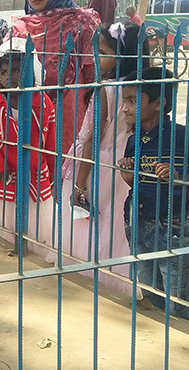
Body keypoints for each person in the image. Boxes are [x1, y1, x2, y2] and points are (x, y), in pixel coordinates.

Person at [118, 67, 189, 323]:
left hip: (172, 226)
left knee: (177, 301)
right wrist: (127, 173)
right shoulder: (135, 139)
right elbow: (137, 182)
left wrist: (180, 178)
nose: (125, 108)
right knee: (151, 291)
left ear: (159, 103)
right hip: (137, 221)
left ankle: (186, 339)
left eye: (133, 101)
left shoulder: (181, 137)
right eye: (125, 100)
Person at [58, 23, 150, 296]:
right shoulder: (143, 89)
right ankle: (121, 275)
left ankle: (92, 273)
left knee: (93, 220)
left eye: (103, 52)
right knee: (119, 224)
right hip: (129, 162)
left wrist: (80, 182)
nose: (96, 58)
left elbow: (91, 139)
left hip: (100, 164)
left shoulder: (106, 90)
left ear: (124, 55)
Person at [9, 0, 102, 158]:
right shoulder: (20, 27)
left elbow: (93, 72)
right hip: (31, 105)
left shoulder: (82, 20)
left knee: (68, 163)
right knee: (32, 163)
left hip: (69, 103)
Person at [0, 51, 57, 254]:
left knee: (38, 233)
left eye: (16, 70)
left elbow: (50, 142)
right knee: (4, 234)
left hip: (35, 176)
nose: (10, 77)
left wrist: (52, 171)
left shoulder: (43, 101)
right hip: (4, 176)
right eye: (4, 72)